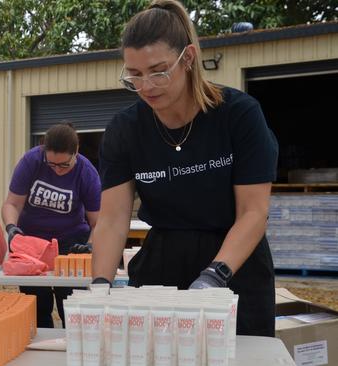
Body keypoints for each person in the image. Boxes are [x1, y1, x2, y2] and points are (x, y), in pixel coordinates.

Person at [91, 0, 278, 337]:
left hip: (235, 264)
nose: (146, 86)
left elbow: (253, 212)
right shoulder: (125, 129)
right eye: (134, 75)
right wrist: (100, 287)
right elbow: (112, 218)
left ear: (188, 58)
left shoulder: (239, 115)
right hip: (162, 262)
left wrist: (215, 275)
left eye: (158, 71)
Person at [2, 122, 101, 328]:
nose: (57, 170)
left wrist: (90, 246)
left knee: (72, 309)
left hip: (71, 246)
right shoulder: (32, 161)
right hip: (32, 246)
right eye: (52, 164)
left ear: (76, 153)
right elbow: (12, 203)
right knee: (37, 310)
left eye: (64, 165)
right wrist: (12, 228)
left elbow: (98, 222)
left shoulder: (87, 173)